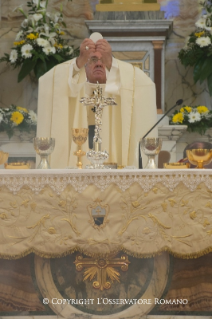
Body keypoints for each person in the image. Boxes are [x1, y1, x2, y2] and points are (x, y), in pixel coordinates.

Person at [36, 37, 158, 168]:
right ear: (84, 66)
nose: (99, 64)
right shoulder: (74, 85)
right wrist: (78, 62)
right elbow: (48, 81)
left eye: (103, 60)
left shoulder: (119, 86)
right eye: (93, 60)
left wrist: (112, 62)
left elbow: (145, 85)